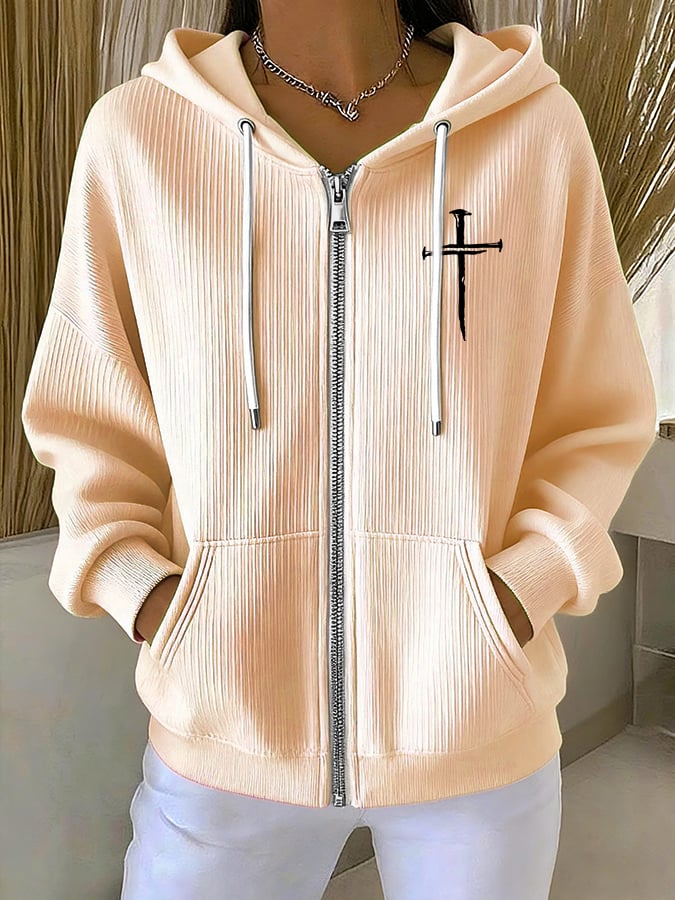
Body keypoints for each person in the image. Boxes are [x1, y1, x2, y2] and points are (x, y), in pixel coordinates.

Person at [20, 0, 657, 897]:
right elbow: (89, 414)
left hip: (476, 739)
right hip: (222, 740)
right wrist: (157, 600)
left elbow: (594, 410)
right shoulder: (139, 135)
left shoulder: (531, 128)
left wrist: (513, 596)